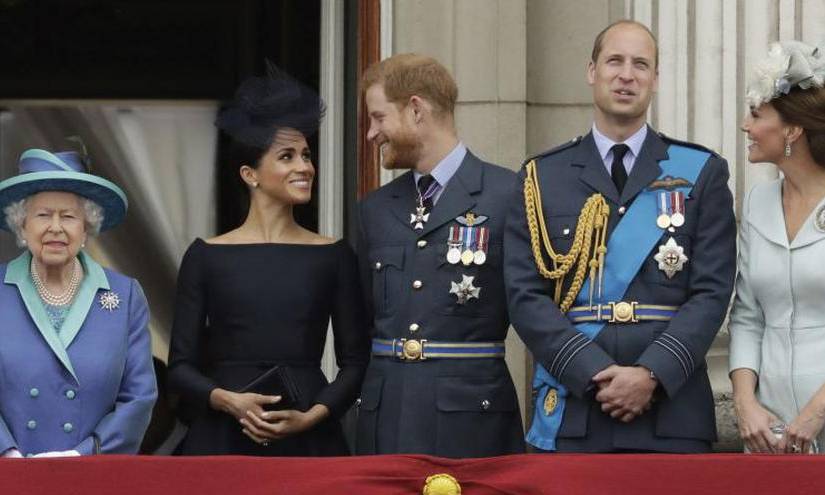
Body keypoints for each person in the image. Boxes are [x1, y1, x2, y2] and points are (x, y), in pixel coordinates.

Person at [504, 20, 736, 452]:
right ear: (592, 71)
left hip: (672, 412)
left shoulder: (701, 171)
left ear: (655, 79)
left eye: (641, 65)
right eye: (615, 61)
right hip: (576, 409)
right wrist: (592, 372)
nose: (627, 75)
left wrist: (651, 374)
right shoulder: (541, 177)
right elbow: (524, 295)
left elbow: (712, 292)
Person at [167, 67, 369, 456]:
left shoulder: (334, 255)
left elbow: (356, 362)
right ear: (250, 174)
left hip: (310, 436)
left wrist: (312, 415)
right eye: (287, 156)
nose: (305, 167)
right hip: (223, 436)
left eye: (307, 156)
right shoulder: (205, 255)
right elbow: (179, 368)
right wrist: (227, 400)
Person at [356, 53, 524, 457]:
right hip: (387, 419)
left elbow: (536, 309)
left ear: (416, 110)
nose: (371, 134)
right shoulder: (375, 209)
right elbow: (362, 325)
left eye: (378, 118)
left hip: (472, 422)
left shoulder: (508, 194)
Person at [0, 148, 157, 457]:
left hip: (91, 474)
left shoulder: (124, 296)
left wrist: (83, 454)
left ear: (86, 228)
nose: (56, 227)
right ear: (22, 226)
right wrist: (8, 454)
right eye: (43, 215)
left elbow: (139, 396)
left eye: (69, 216)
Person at [729, 41, 825, 455]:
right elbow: (747, 316)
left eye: (756, 114)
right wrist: (745, 402)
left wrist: (816, 413)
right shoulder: (756, 204)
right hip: (768, 432)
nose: (746, 126)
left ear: (792, 129)